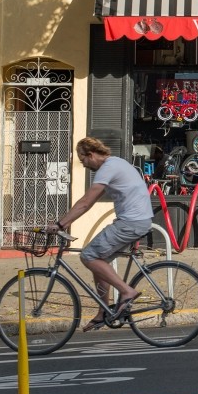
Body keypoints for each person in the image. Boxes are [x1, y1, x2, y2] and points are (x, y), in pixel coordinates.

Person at [49, 137, 153, 330]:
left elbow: (86, 202)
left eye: (83, 160)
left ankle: (126, 291)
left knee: (89, 255)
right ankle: (103, 311)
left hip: (131, 223)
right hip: (137, 221)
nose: (84, 165)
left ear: (91, 154)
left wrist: (60, 224)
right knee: (98, 261)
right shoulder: (117, 163)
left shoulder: (108, 168)